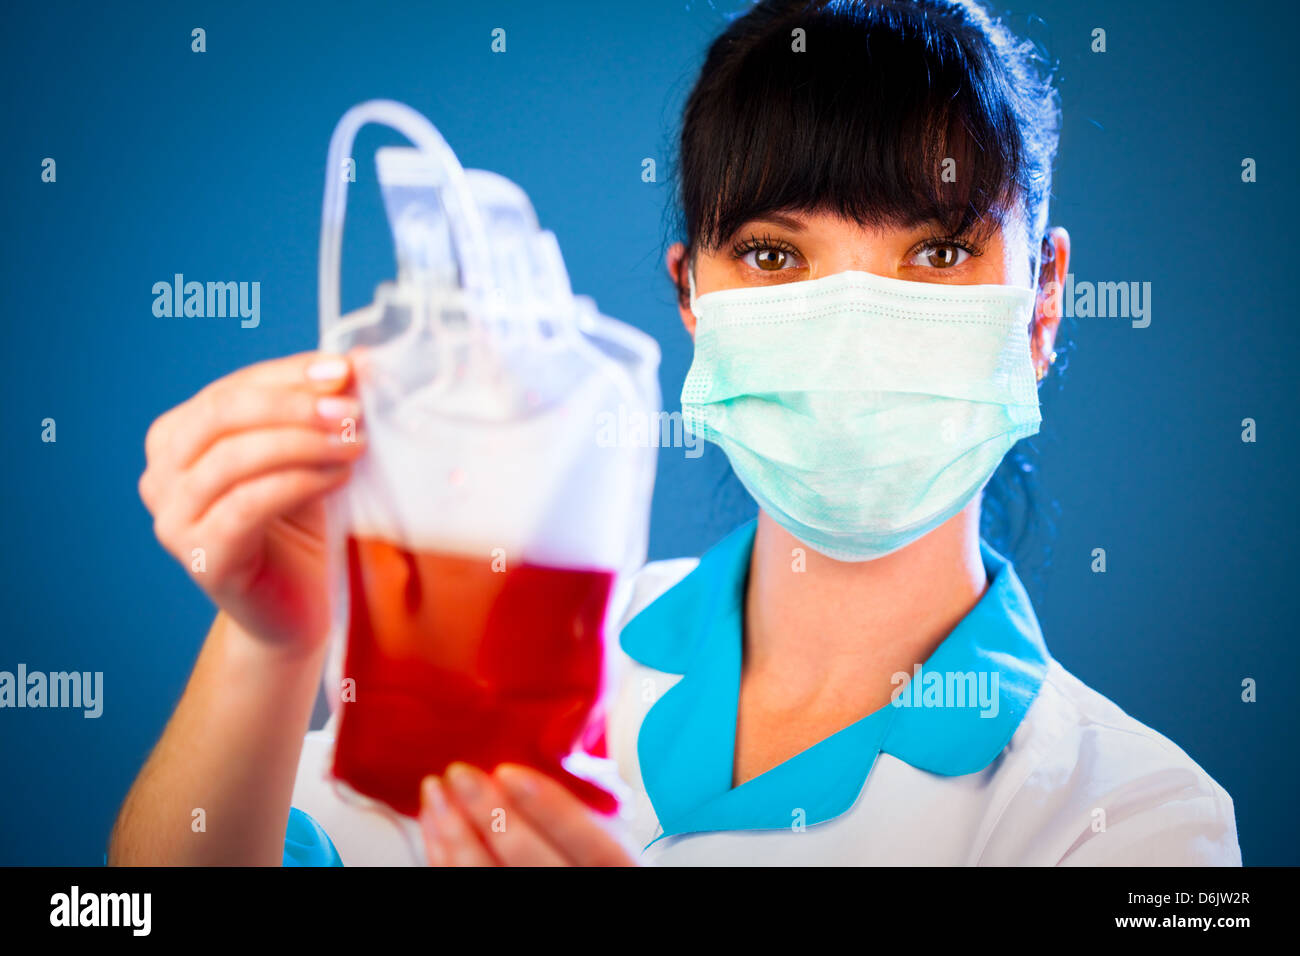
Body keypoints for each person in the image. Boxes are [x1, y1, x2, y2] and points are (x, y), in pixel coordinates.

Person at [109, 0, 1240, 866]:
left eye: (937, 251)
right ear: (691, 299)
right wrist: (273, 640)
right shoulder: (540, 650)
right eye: (774, 254)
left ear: (1042, 301)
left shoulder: (1135, 818)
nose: (848, 329)